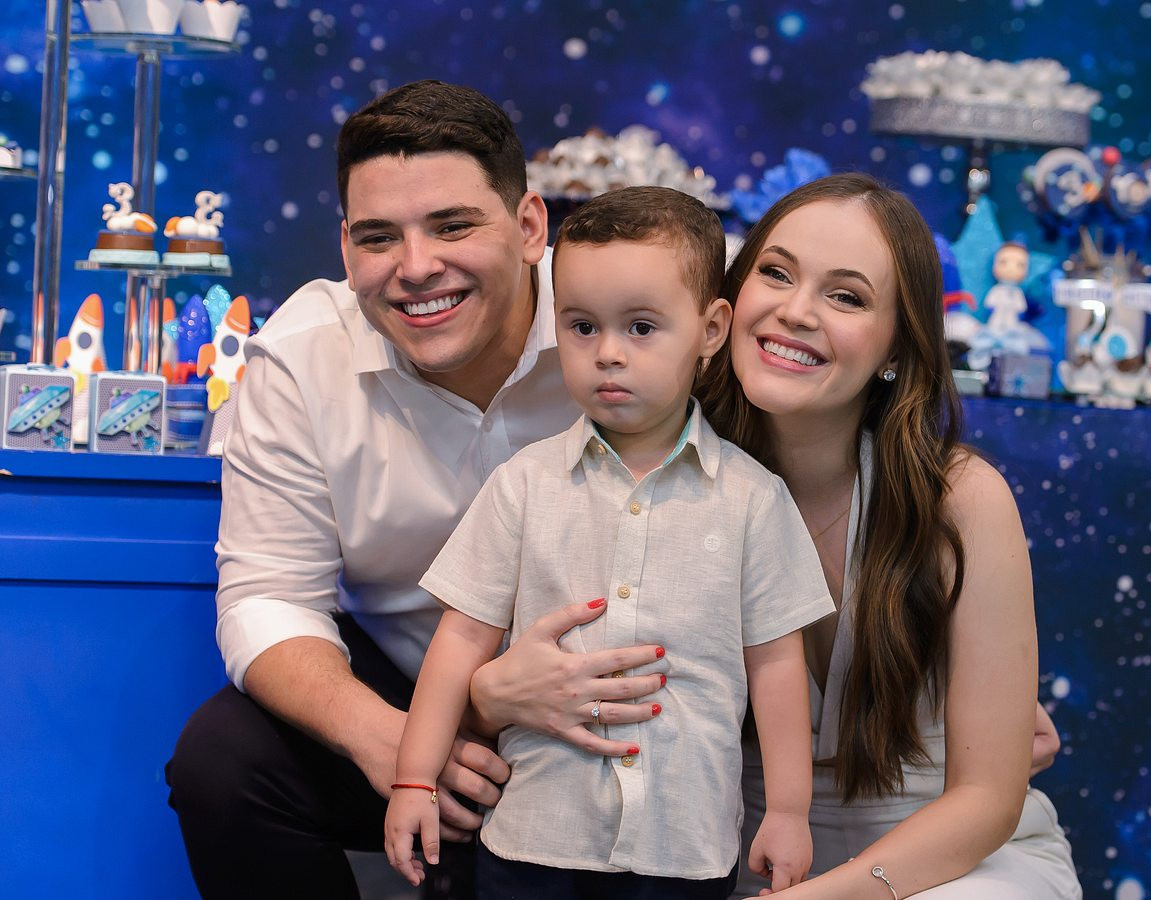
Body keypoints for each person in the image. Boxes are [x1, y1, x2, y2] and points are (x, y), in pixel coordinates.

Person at [468, 173, 1079, 899]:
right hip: (726, 851)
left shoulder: (961, 500)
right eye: (777, 274)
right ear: (722, 309)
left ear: (897, 344)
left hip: (943, 862)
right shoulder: (633, 464)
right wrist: (490, 695)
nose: (795, 311)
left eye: (846, 297)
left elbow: (986, 799)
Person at [164, 80, 664, 899]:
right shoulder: (302, 357)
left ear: (529, 227)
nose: (416, 267)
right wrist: (391, 740)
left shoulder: (625, 328)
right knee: (225, 762)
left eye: (452, 225)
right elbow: (267, 596)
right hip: (401, 682)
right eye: (378, 237)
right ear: (344, 247)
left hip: (612, 696)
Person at [384, 186, 834, 899]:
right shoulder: (524, 483)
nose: (608, 354)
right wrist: (414, 778)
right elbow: (461, 638)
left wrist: (786, 812)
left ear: (711, 329)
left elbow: (777, 664)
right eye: (583, 326)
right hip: (536, 837)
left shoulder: (753, 499)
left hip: (681, 845)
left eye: (642, 327)